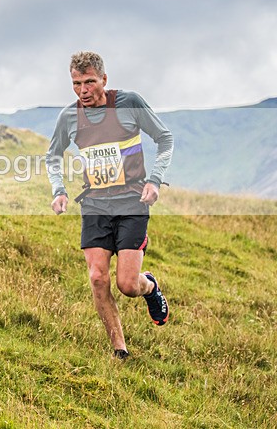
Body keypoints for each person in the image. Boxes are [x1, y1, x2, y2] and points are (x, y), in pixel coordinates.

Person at [46, 51, 172, 359]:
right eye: (77, 83)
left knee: (128, 284)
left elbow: (164, 139)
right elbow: (53, 156)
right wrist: (59, 190)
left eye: (90, 82)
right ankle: (120, 350)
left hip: (131, 203)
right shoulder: (69, 117)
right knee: (97, 277)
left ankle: (150, 287)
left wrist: (154, 180)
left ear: (104, 79)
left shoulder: (129, 103)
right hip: (95, 205)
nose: (83, 90)